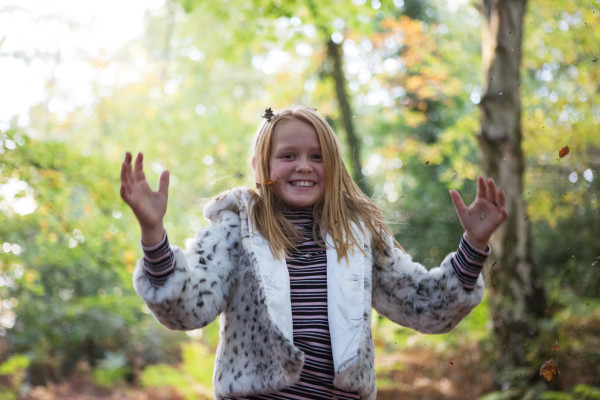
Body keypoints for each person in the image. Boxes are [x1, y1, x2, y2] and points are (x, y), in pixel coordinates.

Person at [120, 106, 508, 400]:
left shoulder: (358, 236)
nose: (303, 166)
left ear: (334, 166)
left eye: (317, 156)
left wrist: (473, 245)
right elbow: (187, 308)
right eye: (288, 155)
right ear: (263, 166)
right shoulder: (235, 230)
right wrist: (153, 232)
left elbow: (426, 306)